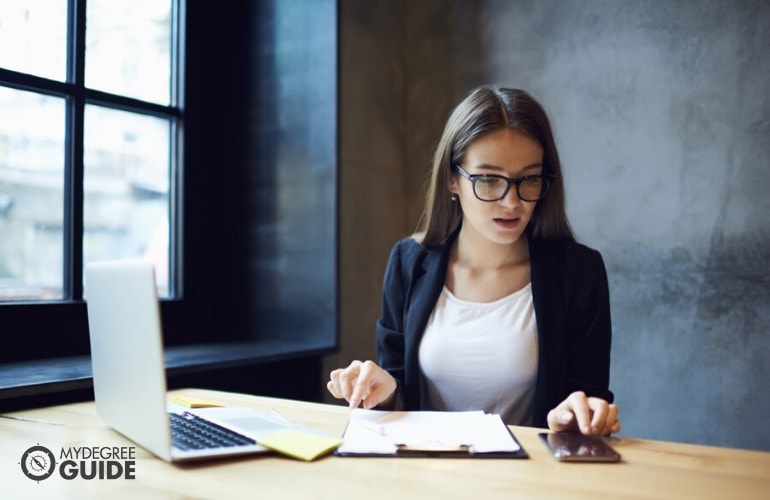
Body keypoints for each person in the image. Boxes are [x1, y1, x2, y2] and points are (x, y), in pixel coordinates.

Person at [327, 86, 620, 436]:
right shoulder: (408, 262)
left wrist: (575, 419)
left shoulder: (578, 273)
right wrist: (384, 391)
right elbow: (399, 396)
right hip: (427, 477)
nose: (512, 202)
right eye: (489, 180)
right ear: (453, 179)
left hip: (529, 482)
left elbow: (589, 402)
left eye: (529, 179)